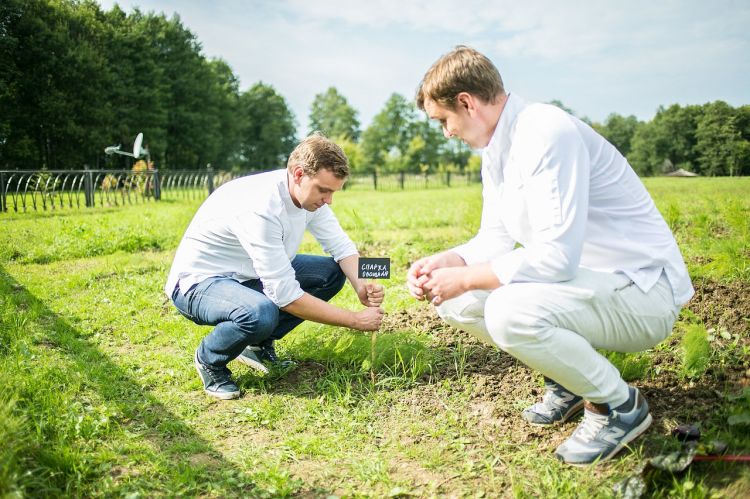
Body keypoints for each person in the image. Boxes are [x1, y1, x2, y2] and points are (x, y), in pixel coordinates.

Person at [407, 46, 693, 465]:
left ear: (466, 102)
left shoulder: (544, 131)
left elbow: (556, 259)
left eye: (444, 120)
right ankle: (570, 380)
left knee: (506, 309)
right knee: (456, 300)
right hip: (589, 286)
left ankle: (618, 405)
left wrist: (470, 276)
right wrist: (451, 261)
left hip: (642, 291)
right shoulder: (498, 149)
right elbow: (495, 237)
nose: (447, 132)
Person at [166, 133, 385, 400]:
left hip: (249, 273)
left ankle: (257, 345)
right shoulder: (261, 207)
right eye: (324, 190)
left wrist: (362, 283)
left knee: (331, 273)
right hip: (200, 283)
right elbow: (285, 295)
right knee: (260, 313)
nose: (329, 200)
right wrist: (354, 320)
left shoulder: (309, 199)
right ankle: (210, 360)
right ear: (298, 174)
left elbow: (342, 246)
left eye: (333, 192)